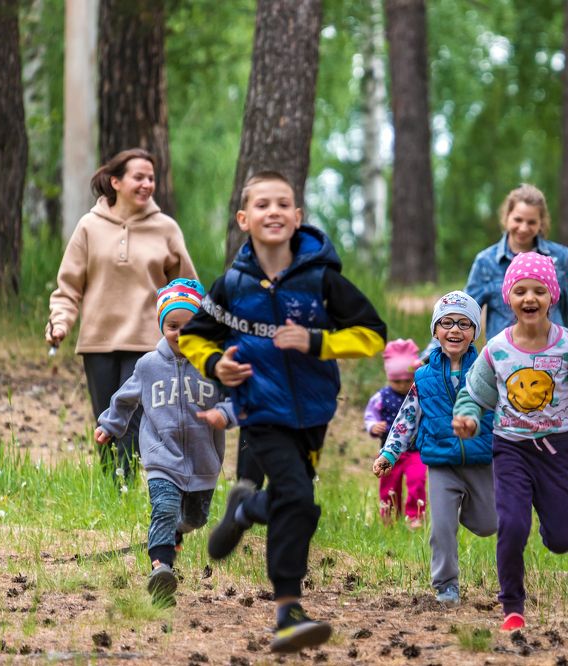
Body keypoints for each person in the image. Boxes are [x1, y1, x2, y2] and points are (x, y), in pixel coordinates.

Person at [178, 171, 386, 654]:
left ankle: (248, 507)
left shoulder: (322, 280)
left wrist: (317, 342)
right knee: (297, 497)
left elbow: (373, 333)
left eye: (283, 204)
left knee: (298, 504)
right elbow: (193, 335)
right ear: (244, 218)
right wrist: (217, 365)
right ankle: (288, 611)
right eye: (263, 205)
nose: (274, 212)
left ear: (297, 217)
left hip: (313, 413)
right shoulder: (232, 285)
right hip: (261, 410)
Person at [452, 253, 568, 632]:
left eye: (539, 290)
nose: (530, 298)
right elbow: (474, 395)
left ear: (552, 297)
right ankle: (512, 604)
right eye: (520, 290)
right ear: (508, 297)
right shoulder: (496, 348)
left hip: (555, 449)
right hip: (509, 448)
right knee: (511, 523)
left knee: (561, 540)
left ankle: (551, 520)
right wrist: (469, 418)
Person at [46, 148, 197, 476]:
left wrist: (193, 335)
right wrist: (60, 323)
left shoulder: (165, 228)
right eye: (138, 177)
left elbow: (187, 288)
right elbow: (69, 287)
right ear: (115, 181)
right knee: (105, 419)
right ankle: (111, 489)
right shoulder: (89, 226)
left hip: (147, 342)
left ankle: (123, 487)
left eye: (151, 178)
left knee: (130, 420)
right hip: (98, 341)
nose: (147, 184)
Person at [95, 279, 234, 605]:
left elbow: (235, 399)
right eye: (172, 325)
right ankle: (161, 568)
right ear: (162, 325)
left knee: (194, 519)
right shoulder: (148, 366)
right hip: (161, 455)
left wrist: (227, 415)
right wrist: (110, 425)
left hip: (204, 459)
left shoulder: (212, 366)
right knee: (164, 508)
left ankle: (173, 537)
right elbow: (125, 399)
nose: (180, 334)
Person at [373, 291, 496, 605]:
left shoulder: (487, 370)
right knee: (441, 529)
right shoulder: (424, 376)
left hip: (482, 458)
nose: (455, 330)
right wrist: (390, 452)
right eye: (447, 323)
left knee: (488, 524)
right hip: (441, 462)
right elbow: (408, 417)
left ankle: (466, 507)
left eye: (464, 324)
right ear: (435, 331)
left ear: (474, 333)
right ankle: (446, 587)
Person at [464, 184, 568, 342]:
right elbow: (464, 311)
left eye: (531, 222)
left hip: (551, 354)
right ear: (507, 217)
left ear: (541, 223)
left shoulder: (561, 257)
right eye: (518, 219)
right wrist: (435, 351)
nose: (524, 228)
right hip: (504, 357)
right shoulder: (486, 262)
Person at [365, 338, 425, 527]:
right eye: (396, 381)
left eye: (407, 380)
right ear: (389, 377)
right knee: (388, 485)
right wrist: (373, 426)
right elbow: (370, 415)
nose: (401, 385)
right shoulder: (381, 397)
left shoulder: (420, 394)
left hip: (415, 451)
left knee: (417, 480)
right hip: (389, 452)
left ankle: (415, 517)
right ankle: (389, 517)